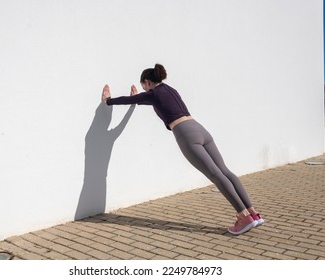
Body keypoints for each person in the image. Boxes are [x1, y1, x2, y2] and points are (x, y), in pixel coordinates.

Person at [101, 63, 264, 235]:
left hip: (186, 135)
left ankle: (243, 217)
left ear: (147, 82)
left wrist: (108, 100)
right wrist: (140, 97)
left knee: (215, 174)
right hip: (200, 129)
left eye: (144, 86)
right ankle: (253, 214)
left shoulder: (153, 94)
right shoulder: (169, 89)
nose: (144, 90)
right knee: (225, 171)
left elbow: (131, 100)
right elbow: (151, 101)